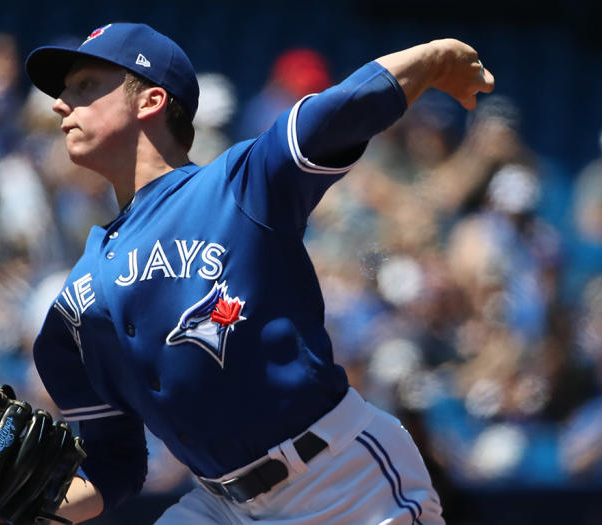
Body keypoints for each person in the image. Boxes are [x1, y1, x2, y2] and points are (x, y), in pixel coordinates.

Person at [25, 22, 494, 524]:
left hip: (340, 483)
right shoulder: (79, 297)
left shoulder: (237, 186)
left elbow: (337, 113)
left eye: (85, 86)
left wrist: (434, 57)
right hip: (221, 506)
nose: (59, 104)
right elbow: (114, 466)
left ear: (151, 101)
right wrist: (28, 510)